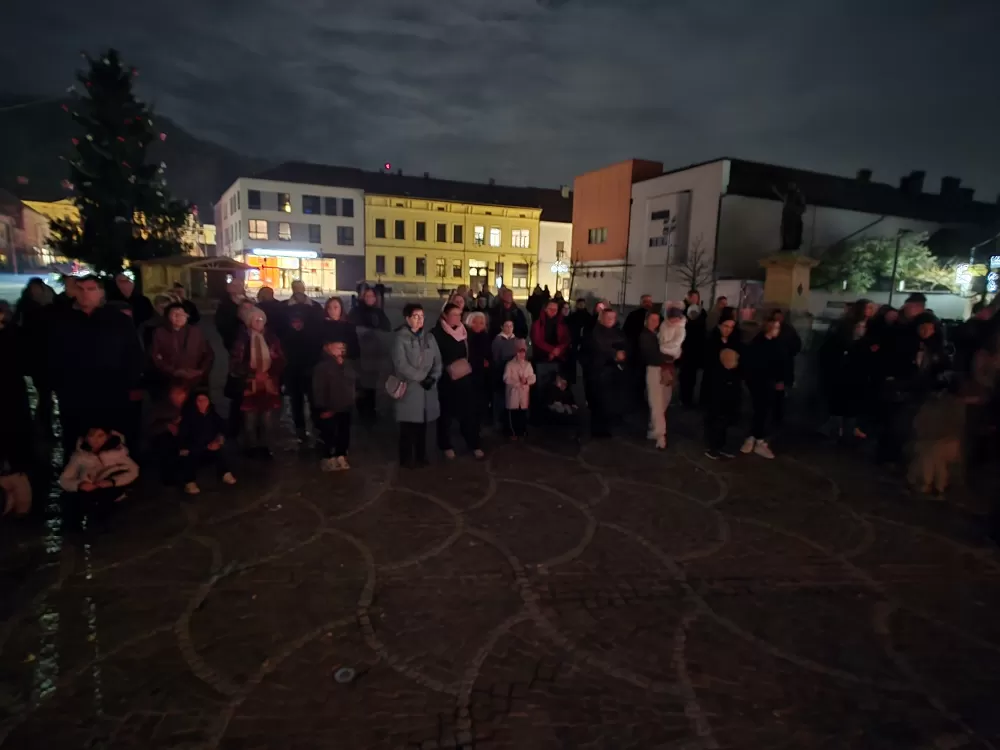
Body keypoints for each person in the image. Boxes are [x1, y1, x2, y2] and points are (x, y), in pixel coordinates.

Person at [48, 275, 144, 459]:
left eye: (91, 289)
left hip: (111, 392)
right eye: (81, 289)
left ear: (101, 293)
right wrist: (59, 384)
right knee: (77, 440)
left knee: (111, 439)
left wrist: (128, 383)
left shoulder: (119, 321)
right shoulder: (61, 321)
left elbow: (133, 354)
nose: (85, 294)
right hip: (74, 394)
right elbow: (51, 355)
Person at [230, 307, 285, 458]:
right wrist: (252, 373)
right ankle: (251, 447)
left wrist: (269, 373)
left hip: (268, 382)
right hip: (250, 383)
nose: (259, 322)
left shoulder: (271, 338)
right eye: (255, 319)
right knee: (250, 418)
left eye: (261, 319)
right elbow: (235, 363)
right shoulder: (243, 340)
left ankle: (266, 446)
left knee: (267, 418)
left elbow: (280, 359)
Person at [391, 304, 442, 468]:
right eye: (415, 316)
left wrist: (433, 378)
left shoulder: (430, 338)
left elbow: (438, 361)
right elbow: (401, 364)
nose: (420, 320)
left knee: (423, 427)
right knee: (408, 427)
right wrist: (421, 378)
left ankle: (421, 455)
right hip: (410, 389)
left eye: (422, 316)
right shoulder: (400, 338)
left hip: (427, 390)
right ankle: (406, 459)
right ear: (407, 319)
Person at [432, 303, 485, 459]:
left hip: (466, 378)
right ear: (445, 316)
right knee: (446, 414)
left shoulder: (466, 332)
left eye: (459, 315)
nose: (457, 318)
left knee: (469, 413)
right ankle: (445, 445)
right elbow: (433, 355)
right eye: (454, 314)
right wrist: (446, 367)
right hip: (446, 380)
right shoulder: (437, 333)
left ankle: (473, 443)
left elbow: (474, 352)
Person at [59, 426, 139, 527]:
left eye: (100, 436)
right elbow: (64, 479)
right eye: (91, 436)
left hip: (112, 491)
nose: (95, 440)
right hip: (88, 491)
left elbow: (133, 471)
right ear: (86, 438)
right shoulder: (79, 457)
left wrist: (112, 482)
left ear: (108, 437)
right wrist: (79, 484)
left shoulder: (118, 453)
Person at [741, 319, 792, 459]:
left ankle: (757, 437)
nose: (777, 330)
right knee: (759, 410)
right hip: (758, 382)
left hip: (770, 383)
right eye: (775, 327)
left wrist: (781, 380)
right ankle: (755, 437)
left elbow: (783, 363)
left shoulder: (778, 344)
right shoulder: (758, 344)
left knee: (764, 411)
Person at [1, 302, 34, 516]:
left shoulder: (14, 335)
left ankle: (20, 499)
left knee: (15, 440)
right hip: (12, 393)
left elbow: (24, 361)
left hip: (11, 394)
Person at [14, 277, 56, 435]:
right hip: (40, 358)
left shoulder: (30, 307)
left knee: (45, 394)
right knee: (45, 394)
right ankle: (44, 426)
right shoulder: (29, 308)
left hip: (44, 357)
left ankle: (44, 425)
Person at [178, 390, 237, 495]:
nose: (202, 403)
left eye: (205, 400)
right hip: (193, 449)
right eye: (199, 400)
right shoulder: (188, 417)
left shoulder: (213, 415)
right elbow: (183, 438)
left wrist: (218, 441)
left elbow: (223, 428)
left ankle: (224, 473)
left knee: (220, 450)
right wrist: (202, 445)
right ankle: (189, 482)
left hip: (209, 449)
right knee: (189, 455)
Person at [582, 307, 628, 438]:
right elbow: (598, 348)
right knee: (598, 403)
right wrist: (614, 354)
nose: (610, 320)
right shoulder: (594, 332)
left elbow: (625, 346)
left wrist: (623, 355)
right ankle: (597, 430)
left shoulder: (618, 332)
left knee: (609, 403)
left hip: (612, 374)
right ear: (601, 318)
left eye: (612, 318)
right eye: (607, 317)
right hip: (598, 374)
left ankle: (606, 427)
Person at [150, 302, 214, 393]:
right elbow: (155, 356)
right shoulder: (159, 332)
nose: (178, 317)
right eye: (175, 314)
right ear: (167, 316)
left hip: (194, 378)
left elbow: (208, 354)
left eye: (182, 314)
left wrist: (200, 371)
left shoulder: (196, 332)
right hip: (169, 381)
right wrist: (173, 371)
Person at [312, 338, 356, 472]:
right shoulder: (322, 366)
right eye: (337, 346)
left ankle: (341, 455)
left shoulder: (347, 364)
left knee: (344, 432)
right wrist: (323, 407)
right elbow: (318, 388)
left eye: (343, 346)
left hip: (345, 406)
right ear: (328, 347)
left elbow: (352, 382)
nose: (341, 348)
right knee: (329, 433)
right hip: (330, 406)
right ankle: (328, 457)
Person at [349, 287, 391, 421]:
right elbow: (353, 329)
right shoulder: (356, 311)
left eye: (372, 296)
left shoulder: (379, 312)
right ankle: (362, 411)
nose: (370, 298)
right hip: (361, 354)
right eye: (367, 296)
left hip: (375, 355)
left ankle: (371, 409)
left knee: (372, 384)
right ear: (362, 297)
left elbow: (386, 328)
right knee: (361, 384)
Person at [282, 305, 322, 442]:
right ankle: (300, 429)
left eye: (299, 322)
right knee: (296, 403)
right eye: (294, 322)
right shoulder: (287, 337)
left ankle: (317, 428)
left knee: (314, 402)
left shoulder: (310, 336)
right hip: (294, 375)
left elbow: (315, 354)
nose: (297, 324)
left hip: (308, 374)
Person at [703, 348, 742, 460]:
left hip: (727, 409)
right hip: (719, 409)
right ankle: (713, 448)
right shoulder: (718, 376)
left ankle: (721, 447)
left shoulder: (733, 374)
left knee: (723, 429)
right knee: (716, 429)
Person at [149, 381, 188, 485]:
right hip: (165, 439)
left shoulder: (188, 406)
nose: (177, 396)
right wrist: (167, 425)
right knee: (167, 444)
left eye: (180, 393)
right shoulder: (160, 407)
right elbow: (150, 427)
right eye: (174, 393)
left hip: (184, 436)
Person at [699, 309, 741, 406]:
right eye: (726, 326)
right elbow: (707, 359)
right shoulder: (711, 340)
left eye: (731, 327)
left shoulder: (735, 341)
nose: (728, 330)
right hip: (714, 378)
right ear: (719, 326)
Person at [766, 309, 801, 426]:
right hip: (774, 366)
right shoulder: (770, 334)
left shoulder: (788, 331)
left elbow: (796, 345)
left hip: (782, 365)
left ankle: (777, 416)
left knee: (779, 393)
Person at [678, 290, 707, 408]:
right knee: (685, 375)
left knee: (693, 376)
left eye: (697, 297)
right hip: (686, 348)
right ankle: (684, 399)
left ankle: (689, 399)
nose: (695, 299)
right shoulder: (683, 311)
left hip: (697, 348)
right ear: (689, 298)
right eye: (693, 297)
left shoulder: (702, 311)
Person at [502, 340, 536, 439]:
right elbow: (506, 378)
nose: (522, 355)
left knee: (522, 414)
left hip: (523, 392)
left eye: (523, 352)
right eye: (520, 352)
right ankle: (513, 432)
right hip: (514, 393)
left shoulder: (528, 365)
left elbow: (533, 377)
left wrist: (526, 381)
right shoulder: (510, 364)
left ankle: (522, 431)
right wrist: (517, 383)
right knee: (513, 414)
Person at [465, 311, 493, 424]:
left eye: (481, 323)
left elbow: (489, 354)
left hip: (483, 374)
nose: (478, 325)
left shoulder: (486, 337)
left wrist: (488, 362)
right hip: (469, 372)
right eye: (475, 322)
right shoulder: (466, 336)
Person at [216, 280, 250, 352]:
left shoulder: (249, 302)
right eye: (234, 286)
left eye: (239, 285)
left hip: (249, 338)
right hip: (233, 339)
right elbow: (220, 324)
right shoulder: (224, 305)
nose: (237, 288)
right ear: (228, 289)